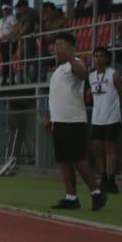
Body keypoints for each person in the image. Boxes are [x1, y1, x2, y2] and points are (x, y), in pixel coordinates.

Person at [45, 32, 106, 212]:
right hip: (60, 120)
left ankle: (96, 193)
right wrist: (52, 118)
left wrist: (70, 55)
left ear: (70, 46)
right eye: (55, 44)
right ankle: (71, 197)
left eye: (59, 44)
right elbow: (58, 97)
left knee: (79, 159)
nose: (56, 48)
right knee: (63, 160)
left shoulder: (75, 62)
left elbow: (83, 74)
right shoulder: (58, 70)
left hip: (73, 120)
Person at [88, 46, 122, 194]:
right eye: (96, 55)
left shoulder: (114, 74)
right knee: (97, 147)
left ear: (107, 58)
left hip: (111, 116)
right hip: (97, 117)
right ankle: (102, 176)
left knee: (110, 147)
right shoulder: (91, 76)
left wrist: (121, 114)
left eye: (101, 55)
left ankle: (111, 179)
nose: (98, 58)